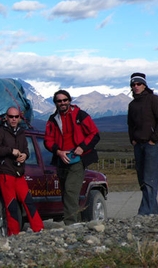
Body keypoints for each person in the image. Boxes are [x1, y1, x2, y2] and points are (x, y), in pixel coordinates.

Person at [44, 90, 100, 225]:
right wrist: (58, 151)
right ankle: (77, 221)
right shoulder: (53, 119)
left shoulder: (80, 115)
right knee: (66, 192)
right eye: (59, 101)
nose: (62, 103)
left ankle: (71, 224)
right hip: (61, 159)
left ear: (69, 100)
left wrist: (82, 147)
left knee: (70, 190)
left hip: (77, 159)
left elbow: (94, 134)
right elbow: (48, 140)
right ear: (55, 103)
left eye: (65, 100)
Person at [0, 106, 44, 236]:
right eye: (11, 116)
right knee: (11, 203)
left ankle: (39, 228)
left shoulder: (20, 132)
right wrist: (10, 151)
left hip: (19, 172)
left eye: (16, 117)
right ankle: (13, 232)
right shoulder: (0, 132)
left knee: (28, 201)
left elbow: (26, 149)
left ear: (19, 118)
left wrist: (25, 155)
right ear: (6, 117)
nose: (13, 119)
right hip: (5, 172)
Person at [128, 72, 158, 215]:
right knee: (142, 180)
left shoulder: (154, 100)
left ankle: (144, 213)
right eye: (133, 84)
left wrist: (154, 139)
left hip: (151, 145)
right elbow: (130, 124)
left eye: (138, 84)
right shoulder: (132, 104)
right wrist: (132, 139)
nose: (136, 86)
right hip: (138, 145)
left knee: (149, 179)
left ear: (144, 85)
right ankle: (153, 214)